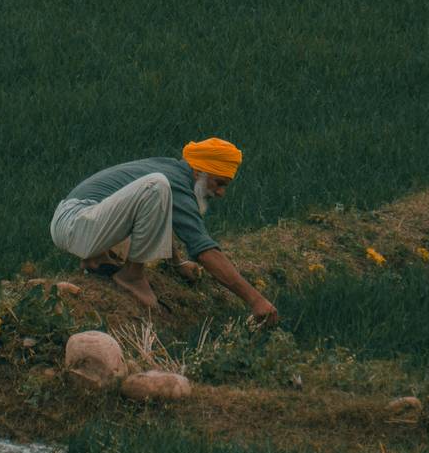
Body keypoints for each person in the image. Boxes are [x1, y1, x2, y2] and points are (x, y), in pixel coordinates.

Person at [49, 137, 279, 326]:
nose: (220, 193)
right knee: (157, 185)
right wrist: (256, 300)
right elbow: (204, 251)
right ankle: (132, 275)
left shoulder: (175, 170)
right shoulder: (172, 181)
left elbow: (159, 214)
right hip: (76, 223)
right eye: (219, 183)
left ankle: (97, 259)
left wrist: (176, 263)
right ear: (199, 173)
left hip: (81, 221)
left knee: (158, 191)